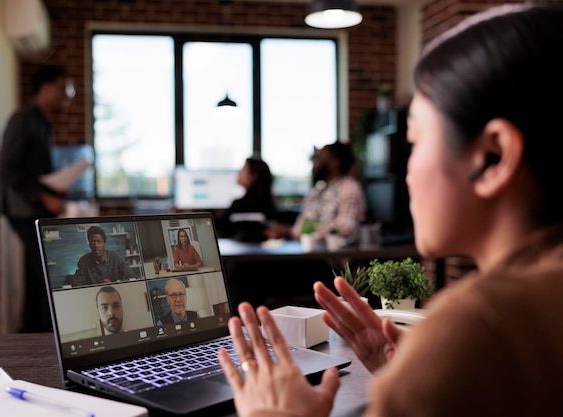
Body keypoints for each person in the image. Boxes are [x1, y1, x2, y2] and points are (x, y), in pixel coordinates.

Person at [217, 4, 563, 416]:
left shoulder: (477, 328)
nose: (407, 172)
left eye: (415, 143)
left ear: (493, 156)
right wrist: (406, 379)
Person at [0, 65, 75, 333]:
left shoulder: (41, 121)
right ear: (47, 88)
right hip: (23, 209)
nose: (67, 95)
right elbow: (8, 167)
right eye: (64, 87)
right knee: (43, 274)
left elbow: (33, 171)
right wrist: (43, 196)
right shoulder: (23, 119)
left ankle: (32, 334)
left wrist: (55, 191)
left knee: (36, 274)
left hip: (33, 207)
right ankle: (41, 336)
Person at [265, 141, 366, 244]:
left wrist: (294, 232)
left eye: (318, 159)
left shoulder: (349, 187)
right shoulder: (315, 192)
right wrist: (288, 232)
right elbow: (302, 224)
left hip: (336, 256)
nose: (314, 164)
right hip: (308, 252)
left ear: (335, 162)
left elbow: (345, 227)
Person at [216, 157, 276, 242]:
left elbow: (220, 226)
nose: (239, 173)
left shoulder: (239, 205)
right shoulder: (268, 205)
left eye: (243, 170)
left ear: (253, 176)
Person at [69, 225, 136, 286]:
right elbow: (76, 284)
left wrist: (114, 284)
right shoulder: (84, 261)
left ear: (104, 244)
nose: (96, 245)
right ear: (89, 245)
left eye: (99, 241)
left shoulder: (115, 257)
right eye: (92, 242)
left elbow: (132, 277)